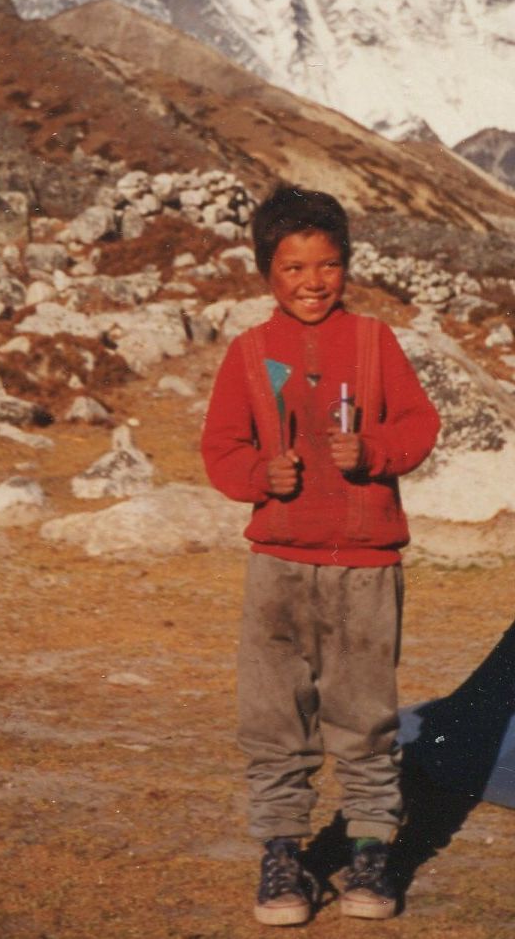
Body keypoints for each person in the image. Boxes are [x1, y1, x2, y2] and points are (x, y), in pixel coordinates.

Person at [201, 184, 440, 925]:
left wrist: (371, 450)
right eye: (293, 267)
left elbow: (418, 422)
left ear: (347, 266)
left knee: (364, 716)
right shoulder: (247, 354)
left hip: (365, 566)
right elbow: (221, 447)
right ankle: (282, 855)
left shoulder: (375, 343)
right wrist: (255, 478)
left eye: (327, 265)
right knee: (274, 717)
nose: (312, 281)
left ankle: (370, 850)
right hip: (277, 563)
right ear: (265, 272)